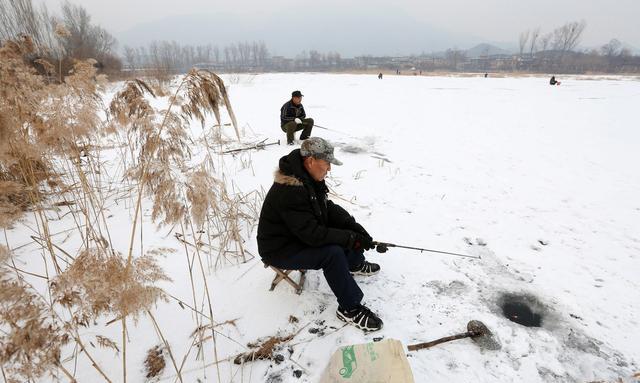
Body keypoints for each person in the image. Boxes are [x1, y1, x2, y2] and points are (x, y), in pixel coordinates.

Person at [257, 137, 384, 332]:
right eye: (326, 164)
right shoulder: (290, 191)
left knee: (342, 233)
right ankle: (349, 308)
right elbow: (313, 235)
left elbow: (326, 208)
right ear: (311, 161)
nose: (329, 169)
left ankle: (355, 263)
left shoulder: (307, 177)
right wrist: (350, 239)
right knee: (331, 253)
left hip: (297, 234)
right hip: (279, 248)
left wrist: (354, 229)